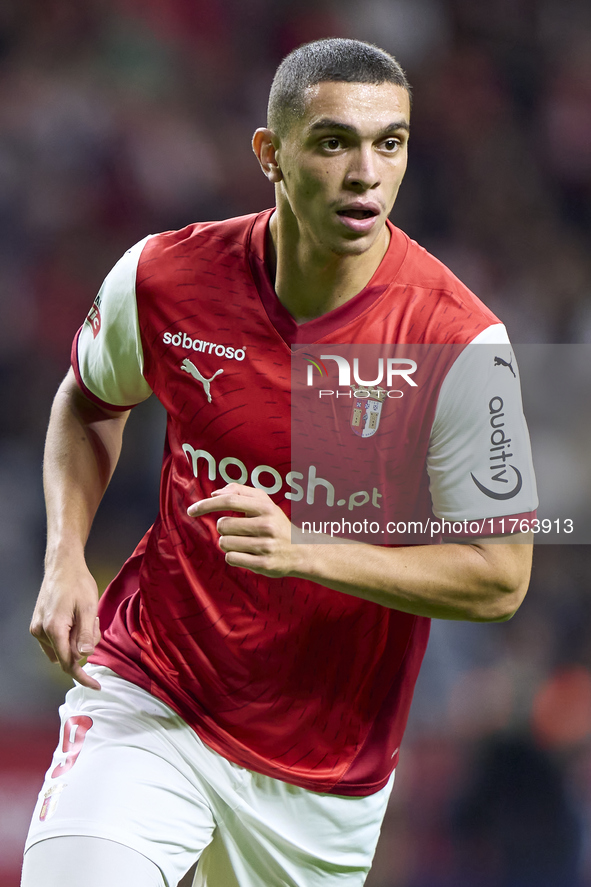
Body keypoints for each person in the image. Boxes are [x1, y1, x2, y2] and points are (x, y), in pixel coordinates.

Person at [22, 38, 537, 887]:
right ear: (271, 153)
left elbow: (499, 575)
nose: (366, 172)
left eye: (390, 143)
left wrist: (304, 550)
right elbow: (86, 401)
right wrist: (65, 555)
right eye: (334, 142)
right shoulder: (166, 276)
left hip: (319, 774)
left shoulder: (460, 343)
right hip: (157, 694)